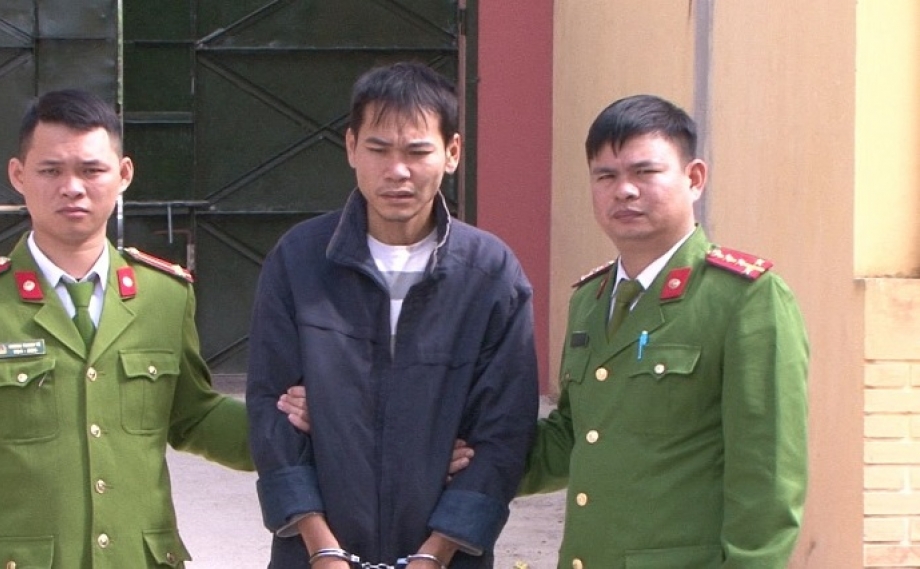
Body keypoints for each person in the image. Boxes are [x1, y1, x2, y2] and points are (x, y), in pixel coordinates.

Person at [0, 89, 254, 568]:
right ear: (18, 175)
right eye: (51, 170)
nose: (72, 187)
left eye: (92, 170)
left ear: (123, 175)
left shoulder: (165, 296)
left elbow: (192, 415)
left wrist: (307, 428)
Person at [245, 62, 540, 569]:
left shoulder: (490, 273)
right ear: (351, 148)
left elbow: (504, 431)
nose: (397, 171)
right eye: (378, 149)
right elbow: (270, 410)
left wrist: (436, 552)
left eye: (417, 152)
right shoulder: (299, 260)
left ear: (452, 153)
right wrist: (321, 547)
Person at [519, 94, 810, 568]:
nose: (624, 191)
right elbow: (574, 435)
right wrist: (472, 461)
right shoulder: (590, 301)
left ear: (694, 179)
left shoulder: (745, 298)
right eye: (605, 176)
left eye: (645, 172)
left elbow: (769, 477)